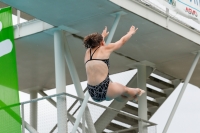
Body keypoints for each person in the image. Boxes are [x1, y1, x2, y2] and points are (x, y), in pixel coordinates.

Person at [83, 26, 145, 102]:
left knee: (118, 96)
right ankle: (137, 91)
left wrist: (102, 36)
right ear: (101, 42)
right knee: (125, 89)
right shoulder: (105, 49)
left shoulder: (87, 52)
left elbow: (96, 44)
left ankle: (132, 98)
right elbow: (122, 41)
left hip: (92, 92)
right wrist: (130, 33)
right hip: (105, 88)